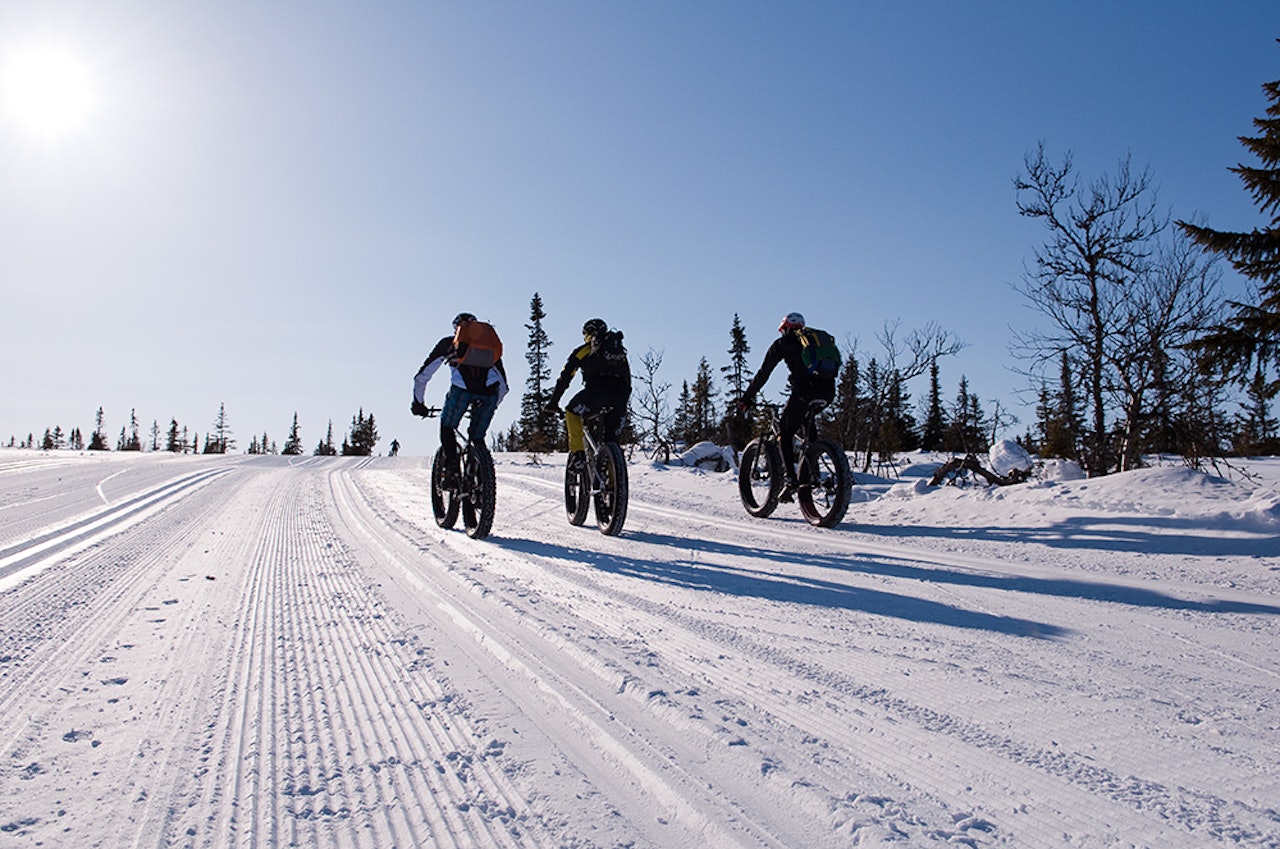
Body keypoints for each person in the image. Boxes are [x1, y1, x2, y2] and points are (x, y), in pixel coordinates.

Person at [738, 311, 837, 501]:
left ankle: (790, 479)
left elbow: (763, 373)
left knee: (785, 431)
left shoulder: (782, 343)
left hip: (803, 393)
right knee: (807, 423)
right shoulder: (814, 341)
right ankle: (813, 473)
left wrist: (747, 398)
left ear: (784, 329)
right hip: (827, 393)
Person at [411, 312, 509, 471]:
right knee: (477, 437)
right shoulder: (488, 347)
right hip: (489, 394)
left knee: (447, 427)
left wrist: (418, 403)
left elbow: (422, 377)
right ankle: (482, 472)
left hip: (461, 392)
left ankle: (452, 468)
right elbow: (504, 386)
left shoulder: (448, 344)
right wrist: (492, 405)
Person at [547, 318, 631, 459]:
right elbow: (627, 380)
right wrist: (623, 401)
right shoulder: (619, 353)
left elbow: (565, 377)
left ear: (587, 334)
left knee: (572, 411)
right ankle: (613, 468)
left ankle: (578, 455)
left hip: (594, 394)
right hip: (619, 397)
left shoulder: (585, 350)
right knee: (611, 440)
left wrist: (553, 402)